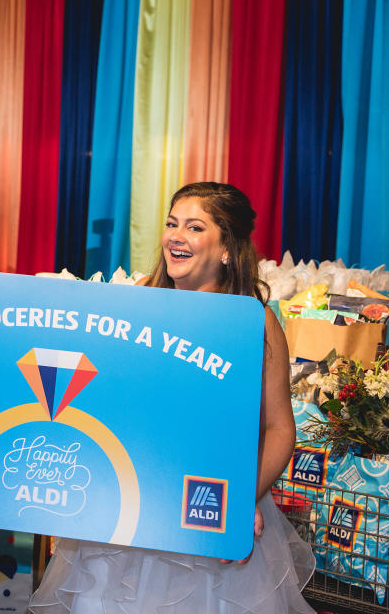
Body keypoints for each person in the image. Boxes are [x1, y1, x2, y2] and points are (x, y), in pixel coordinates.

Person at [29, 182, 315, 613]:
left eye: (194, 227)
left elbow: (278, 427)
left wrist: (242, 498)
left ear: (226, 249)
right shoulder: (141, 301)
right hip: (130, 509)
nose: (175, 236)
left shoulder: (253, 323)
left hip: (207, 519)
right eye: (171, 223)